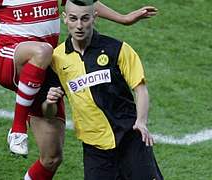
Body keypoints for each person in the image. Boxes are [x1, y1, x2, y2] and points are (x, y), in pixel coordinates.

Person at [0, 0, 158, 179]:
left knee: (52, 157)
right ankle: (17, 128)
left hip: (43, 73)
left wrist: (124, 19)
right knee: (42, 49)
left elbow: (81, 4)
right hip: (9, 62)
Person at [45, 0, 164, 179]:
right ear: (65, 19)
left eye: (85, 19)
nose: (79, 25)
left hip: (130, 139)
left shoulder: (118, 49)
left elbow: (140, 89)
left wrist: (141, 121)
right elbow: (49, 112)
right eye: (73, 18)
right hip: (95, 150)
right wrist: (49, 102)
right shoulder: (56, 59)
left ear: (95, 17)